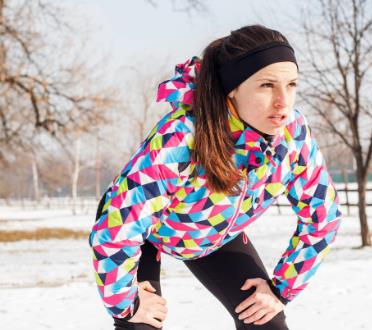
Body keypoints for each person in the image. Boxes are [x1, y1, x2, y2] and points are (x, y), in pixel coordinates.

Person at [89, 24, 343, 330]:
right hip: (145, 230)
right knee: (142, 323)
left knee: (265, 319)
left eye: (291, 85)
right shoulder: (183, 137)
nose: (283, 102)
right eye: (266, 86)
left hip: (214, 231)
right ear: (233, 88)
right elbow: (118, 224)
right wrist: (126, 304)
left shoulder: (292, 136)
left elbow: (323, 216)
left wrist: (280, 289)